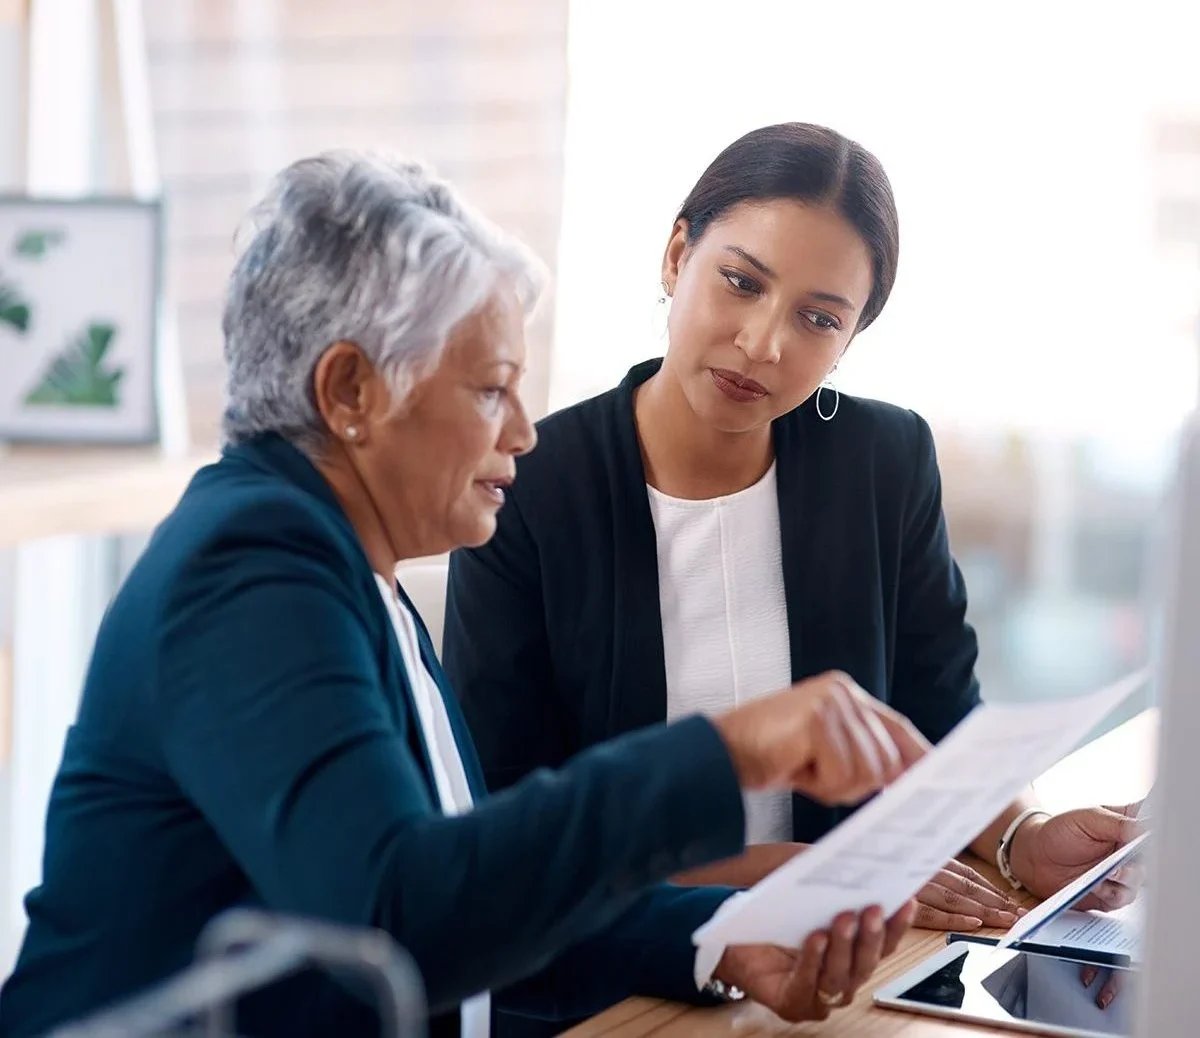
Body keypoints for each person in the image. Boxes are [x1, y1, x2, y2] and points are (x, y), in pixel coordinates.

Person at [0, 152, 926, 1038]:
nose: (524, 433)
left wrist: (720, 936)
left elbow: (472, 894)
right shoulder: (250, 568)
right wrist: (726, 753)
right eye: (492, 390)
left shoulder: (353, 574)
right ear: (351, 390)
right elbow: (397, 918)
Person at [444, 122, 1145, 937]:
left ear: (850, 340)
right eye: (741, 282)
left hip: (844, 951)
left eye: (818, 319)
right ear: (677, 258)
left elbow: (940, 712)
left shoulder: (883, 460)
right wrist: (796, 877)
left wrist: (1023, 838)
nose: (764, 343)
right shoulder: (528, 482)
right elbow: (508, 819)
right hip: (612, 960)